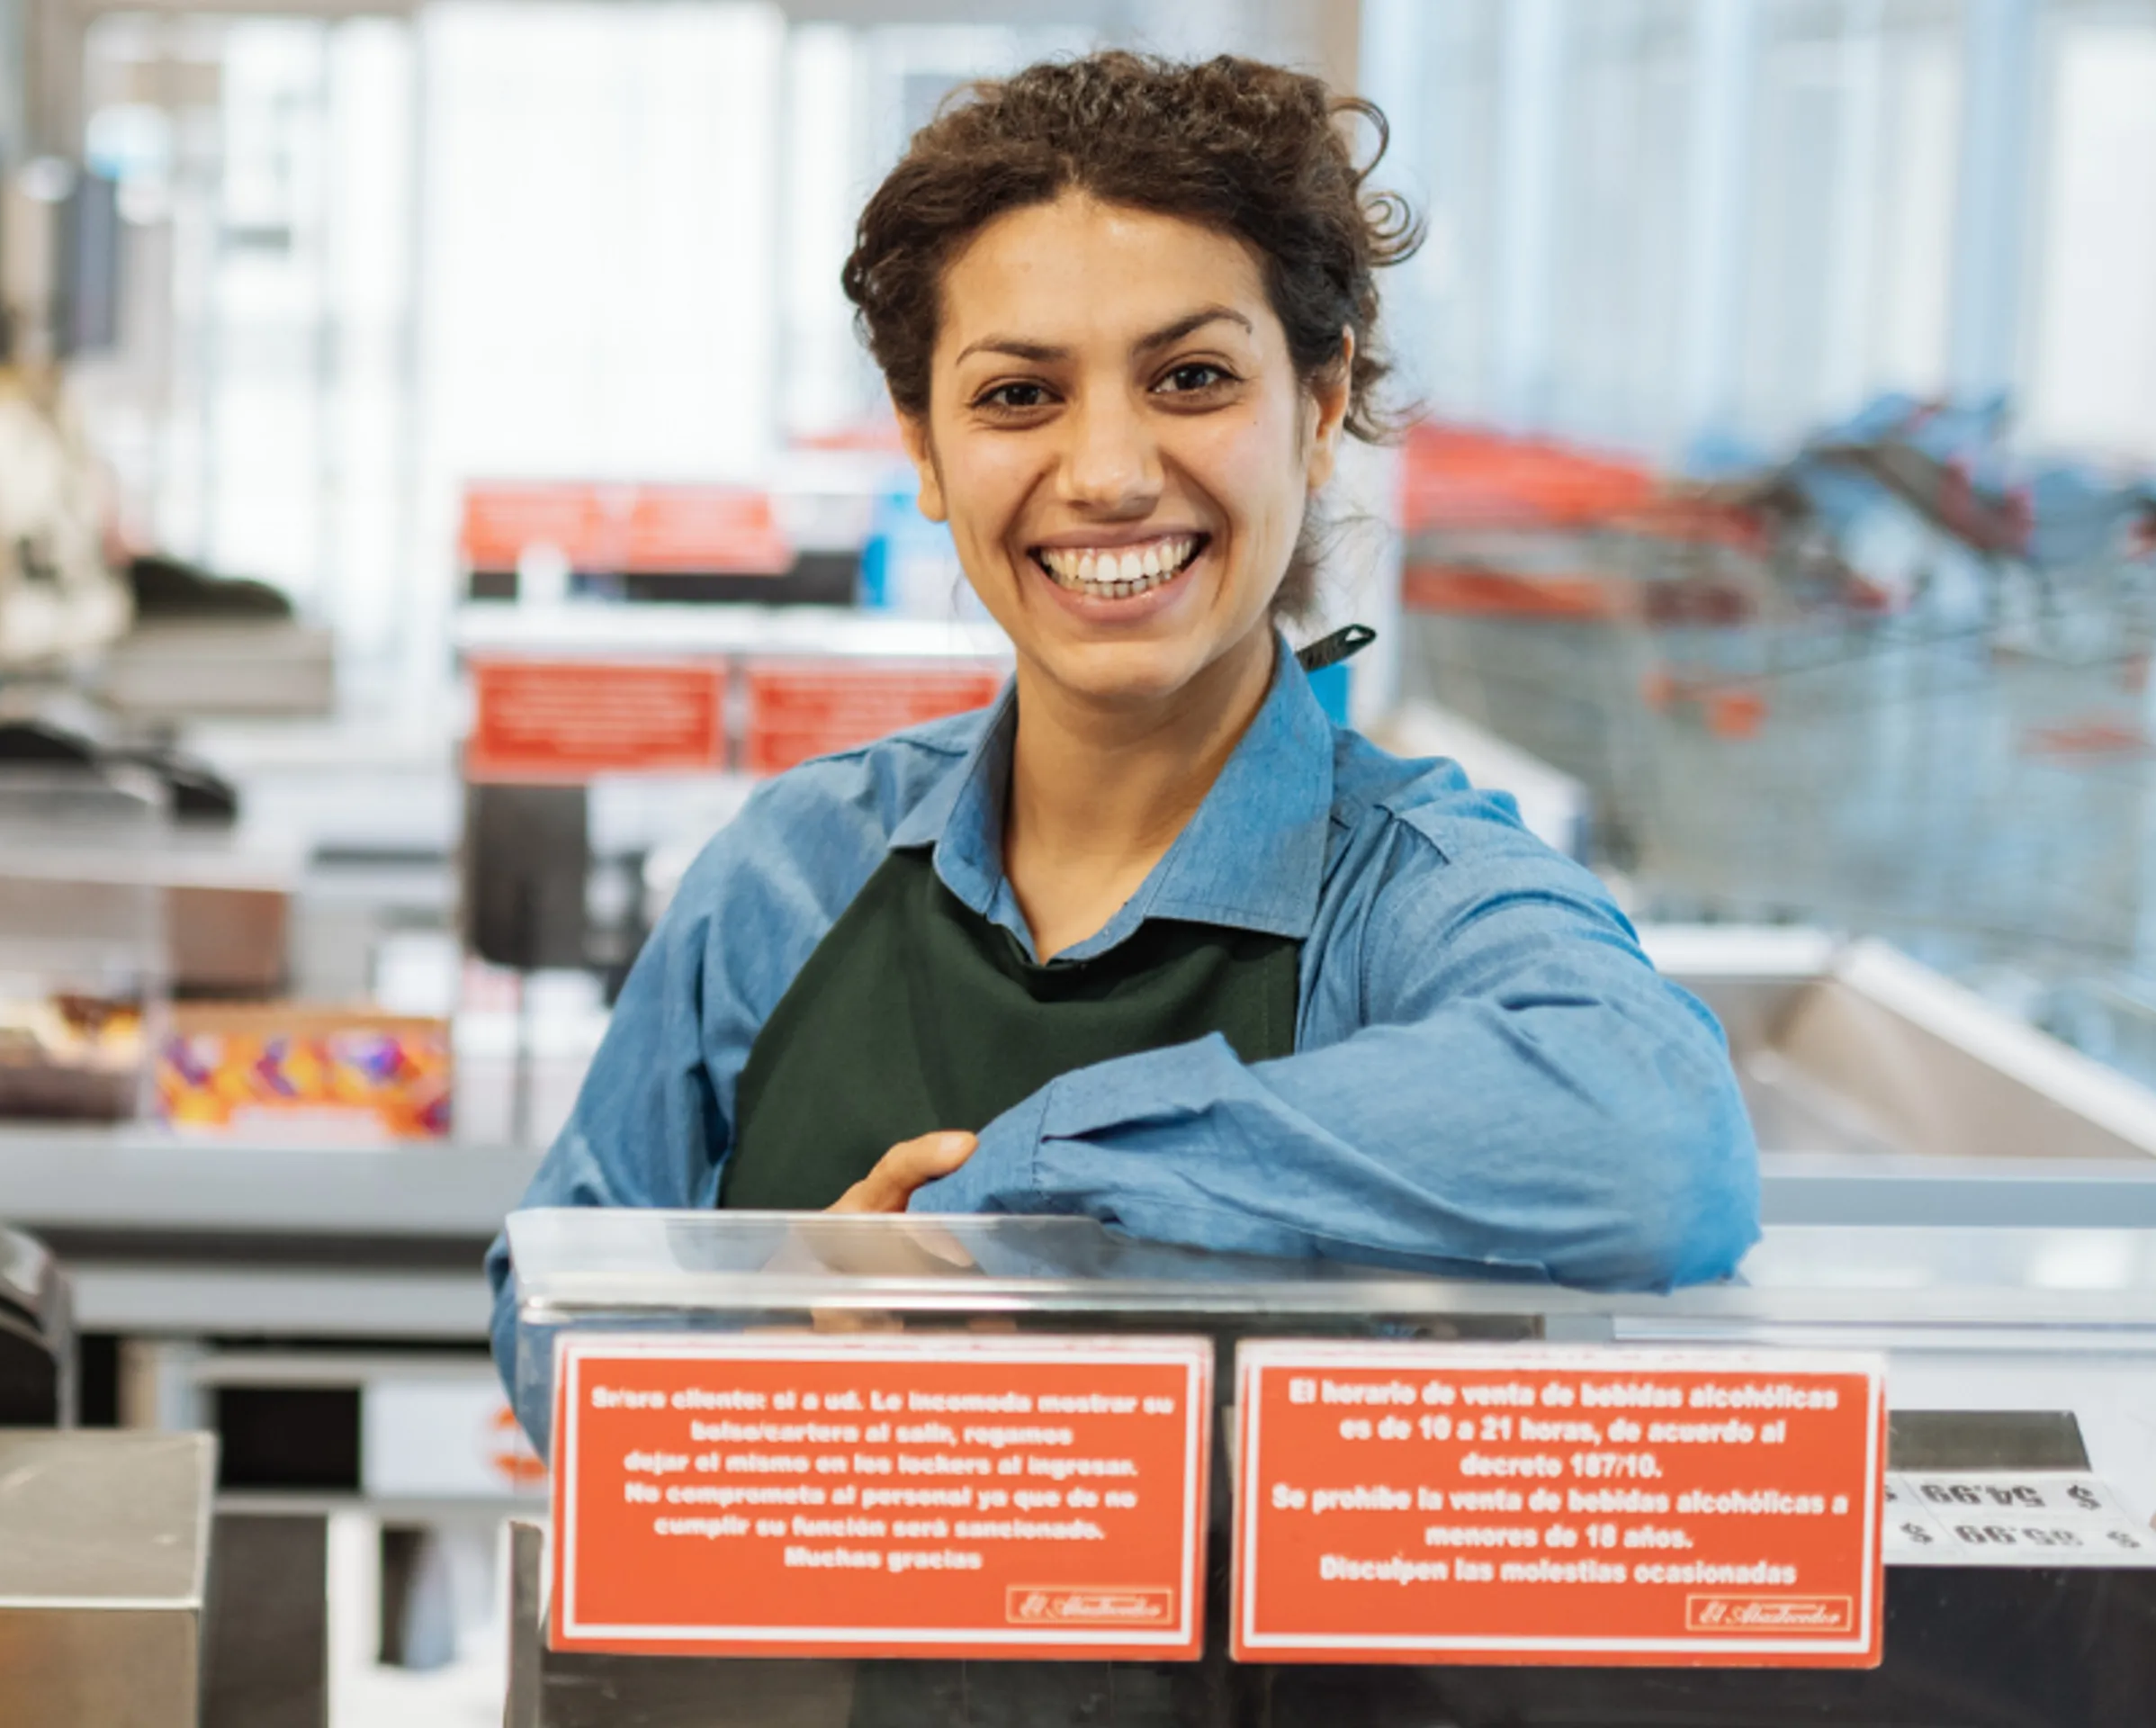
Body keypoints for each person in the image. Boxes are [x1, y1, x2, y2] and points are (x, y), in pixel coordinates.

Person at [487, 50, 1759, 1434]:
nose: (1106, 474)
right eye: (1018, 396)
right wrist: (784, 1328)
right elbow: (552, 1315)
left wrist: (1019, 1190)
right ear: (922, 444)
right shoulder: (795, 869)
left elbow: (1657, 1146)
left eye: (1194, 378)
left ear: (1320, 410)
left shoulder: (1410, 900)